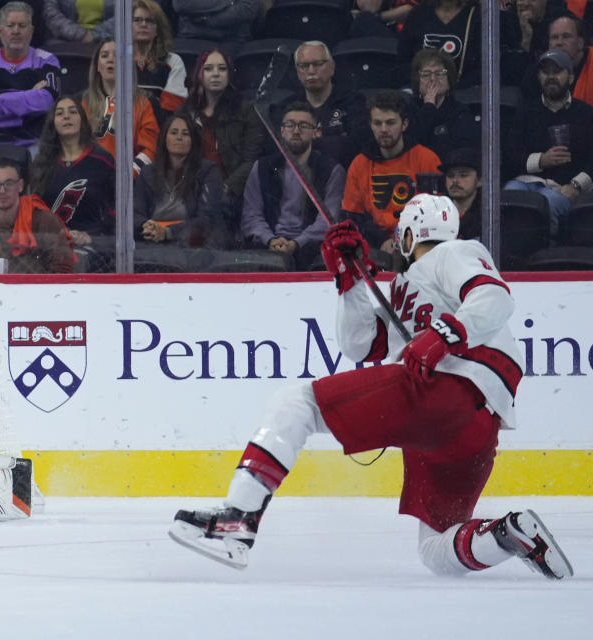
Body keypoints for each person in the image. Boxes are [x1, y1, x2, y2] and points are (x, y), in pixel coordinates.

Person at [170, 193, 574, 582]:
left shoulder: (454, 253)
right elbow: (358, 344)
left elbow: (494, 296)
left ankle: (237, 517)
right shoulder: (405, 285)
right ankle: (506, 534)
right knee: (435, 551)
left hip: (446, 392)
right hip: (471, 430)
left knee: (298, 403)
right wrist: (349, 283)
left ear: (410, 235)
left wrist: (444, 335)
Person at [240, 102, 346, 270]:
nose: (296, 131)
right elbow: (251, 215)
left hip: (312, 250)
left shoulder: (331, 170)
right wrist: (270, 239)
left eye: (303, 126)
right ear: (282, 131)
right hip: (267, 247)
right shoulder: (262, 166)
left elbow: (328, 221)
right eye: (290, 125)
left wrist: (297, 243)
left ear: (315, 133)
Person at [342, 90, 441, 261]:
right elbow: (353, 217)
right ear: (370, 125)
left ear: (404, 124)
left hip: (418, 246)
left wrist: (401, 239)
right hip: (374, 247)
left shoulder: (427, 159)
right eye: (377, 123)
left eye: (390, 123)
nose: (384, 129)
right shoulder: (359, 164)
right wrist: (382, 240)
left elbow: (436, 213)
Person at [503, 48, 593, 236]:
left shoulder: (586, 113)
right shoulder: (526, 112)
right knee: (508, 198)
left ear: (570, 77)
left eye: (557, 72)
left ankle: (544, 258)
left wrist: (576, 186)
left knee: (546, 202)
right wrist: (541, 160)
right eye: (546, 72)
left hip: (565, 186)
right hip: (525, 182)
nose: (551, 77)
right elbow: (510, 153)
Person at [178, 47, 263, 244]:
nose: (215, 74)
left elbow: (250, 161)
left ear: (230, 74)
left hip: (231, 193)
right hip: (192, 189)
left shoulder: (246, 110)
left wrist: (225, 188)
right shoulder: (185, 112)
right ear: (199, 74)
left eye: (222, 69)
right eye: (208, 69)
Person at [29, 96, 115, 271]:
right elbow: (33, 211)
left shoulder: (103, 160)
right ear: (53, 123)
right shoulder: (41, 164)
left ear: (82, 120)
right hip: (49, 247)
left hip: (93, 248)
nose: (66, 117)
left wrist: (92, 237)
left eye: (73, 112)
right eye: (60, 113)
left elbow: (114, 211)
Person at [134, 112, 227, 266]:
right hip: (151, 245)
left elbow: (207, 219)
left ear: (193, 141)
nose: (179, 137)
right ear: (165, 138)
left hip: (191, 249)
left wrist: (167, 232)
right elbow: (134, 213)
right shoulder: (148, 172)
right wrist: (146, 225)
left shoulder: (208, 171)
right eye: (174, 132)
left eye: (185, 134)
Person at [0, 1, 61, 146]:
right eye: (10, 26)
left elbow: (46, 103)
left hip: (32, 144)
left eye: (22, 26)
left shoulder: (46, 60)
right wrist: (27, 100)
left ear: (31, 31)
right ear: (0, 30)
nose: (16, 31)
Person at [0, 157, 77, 273]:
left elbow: (63, 270)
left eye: (9, 183)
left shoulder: (45, 220)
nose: (2, 191)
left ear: (20, 186)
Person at [397, 0, 523, 89]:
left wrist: (454, 87)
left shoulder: (479, 15)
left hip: (464, 92)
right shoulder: (419, 14)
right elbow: (404, 56)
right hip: (421, 89)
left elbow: (485, 66)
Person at [282, 41, 367, 169]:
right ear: (298, 73)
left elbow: (354, 146)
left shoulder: (353, 101)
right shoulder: (287, 106)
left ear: (332, 68)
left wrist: (303, 142)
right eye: (304, 66)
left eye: (318, 64)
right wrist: (331, 140)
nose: (311, 71)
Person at [82, 38, 159, 178]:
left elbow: (150, 149)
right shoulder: (83, 103)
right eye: (104, 55)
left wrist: (127, 175)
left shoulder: (143, 103)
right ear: (97, 66)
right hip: (89, 179)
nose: (110, 60)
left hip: (128, 182)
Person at [407, 48, 478, 161]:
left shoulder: (460, 111)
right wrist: (428, 107)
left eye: (440, 73)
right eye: (426, 74)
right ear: (417, 81)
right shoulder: (408, 110)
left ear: (449, 80)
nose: (433, 79)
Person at [132, 0, 187, 125]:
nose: (143, 24)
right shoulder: (117, 60)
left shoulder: (173, 61)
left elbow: (172, 110)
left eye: (150, 21)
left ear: (158, 29)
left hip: (156, 131)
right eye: (138, 20)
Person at [522, 13, 593, 104]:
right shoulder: (535, 74)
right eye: (554, 37)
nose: (559, 43)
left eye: (566, 36)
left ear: (580, 43)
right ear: (549, 44)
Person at [171, 0, 258, 50]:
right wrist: (229, 2)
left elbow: (248, 9)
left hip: (232, 40)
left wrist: (206, 19)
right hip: (192, 38)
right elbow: (181, 4)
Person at [439, 146, 482, 240]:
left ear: (479, 180)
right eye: (450, 175)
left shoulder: (487, 217)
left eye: (463, 175)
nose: (455, 181)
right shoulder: (436, 214)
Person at [42, 0, 114, 43]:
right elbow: (50, 11)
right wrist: (80, 34)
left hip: (109, 39)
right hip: (65, 39)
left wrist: (95, 35)